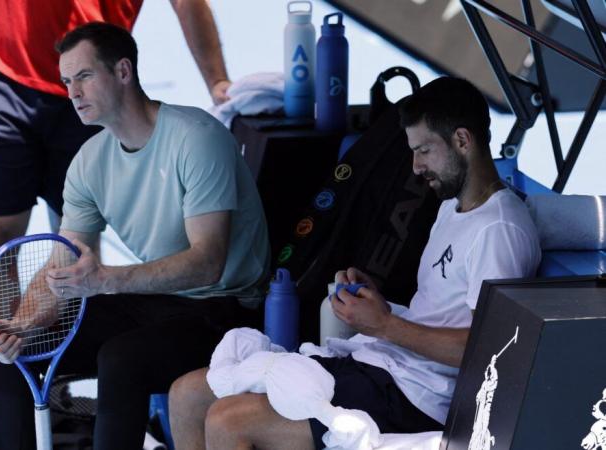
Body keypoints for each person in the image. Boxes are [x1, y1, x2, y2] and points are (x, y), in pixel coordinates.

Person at [168, 76, 542, 450]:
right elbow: (441, 311)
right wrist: (376, 303)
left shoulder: (499, 231)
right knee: (187, 396)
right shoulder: (452, 208)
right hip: (382, 365)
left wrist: (384, 325)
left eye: (424, 150)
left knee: (228, 421)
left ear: (462, 140)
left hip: (417, 397)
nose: (414, 166)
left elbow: (490, 352)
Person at [0, 21, 269, 450]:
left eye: (83, 76)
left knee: (120, 358)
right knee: (14, 356)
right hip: (152, 301)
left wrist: (105, 280)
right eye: (66, 81)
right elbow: (63, 263)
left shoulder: (197, 138)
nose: (72, 91)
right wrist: (24, 326)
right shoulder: (88, 162)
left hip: (227, 308)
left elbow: (209, 262)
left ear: (122, 72)